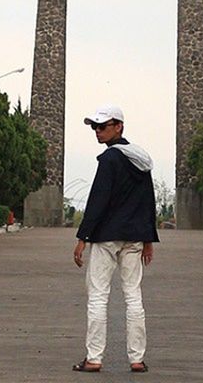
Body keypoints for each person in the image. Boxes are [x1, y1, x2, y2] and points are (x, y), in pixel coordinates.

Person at [72, 105, 159, 374]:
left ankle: (94, 358)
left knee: (98, 297)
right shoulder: (141, 160)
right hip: (133, 238)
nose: (97, 132)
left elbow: (98, 200)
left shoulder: (109, 159)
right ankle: (137, 359)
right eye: (94, 127)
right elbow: (148, 201)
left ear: (118, 126)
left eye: (102, 126)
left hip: (107, 238)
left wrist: (82, 237)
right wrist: (147, 238)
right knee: (134, 296)